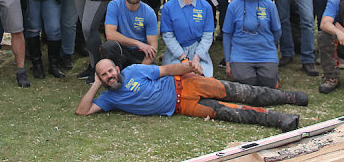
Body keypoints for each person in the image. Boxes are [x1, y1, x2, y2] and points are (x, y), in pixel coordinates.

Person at [76, 59, 306, 132]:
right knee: (230, 112)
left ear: (117, 68)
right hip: (182, 107)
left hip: (187, 84)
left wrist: (188, 68)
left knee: (240, 91)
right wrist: (95, 85)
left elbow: (166, 70)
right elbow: (82, 111)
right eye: (103, 75)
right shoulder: (109, 98)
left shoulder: (134, 70)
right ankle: (279, 119)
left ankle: (291, 97)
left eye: (110, 71)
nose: (109, 76)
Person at [222, 0, 281, 88]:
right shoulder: (234, 6)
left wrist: (268, 44)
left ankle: (271, 76)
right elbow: (227, 34)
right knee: (249, 85)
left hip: (265, 53)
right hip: (241, 53)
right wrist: (228, 61)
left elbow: (277, 31)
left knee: (267, 84)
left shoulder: (269, 5)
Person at [161, 0, 215, 77]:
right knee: (175, 80)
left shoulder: (205, 6)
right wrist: (183, 58)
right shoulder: (168, 7)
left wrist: (196, 58)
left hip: (198, 51)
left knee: (204, 79)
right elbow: (168, 36)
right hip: (176, 52)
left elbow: (208, 36)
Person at [101, 0, 159, 69]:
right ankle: (115, 77)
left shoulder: (149, 13)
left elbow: (153, 47)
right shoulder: (114, 5)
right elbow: (110, 35)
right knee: (108, 46)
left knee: (153, 73)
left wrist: (140, 72)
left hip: (139, 53)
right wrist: (138, 43)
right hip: (121, 51)